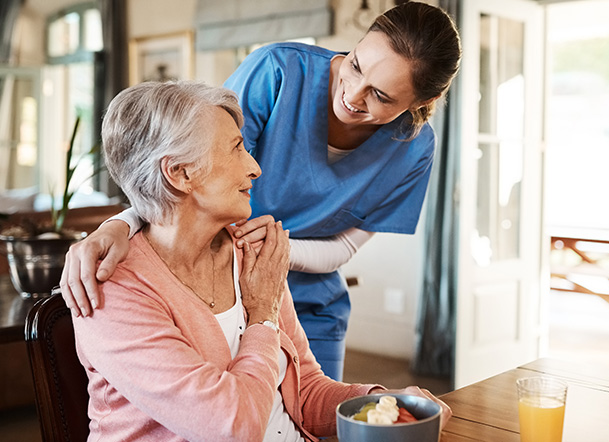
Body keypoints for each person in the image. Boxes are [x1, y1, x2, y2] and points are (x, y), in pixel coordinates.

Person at [60, 2, 462, 381]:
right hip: (215, 287)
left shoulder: (413, 150)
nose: (352, 95)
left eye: (380, 95)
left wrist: (274, 256)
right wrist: (121, 224)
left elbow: (344, 248)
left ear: (422, 102)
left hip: (309, 303)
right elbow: (185, 167)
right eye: (355, 65)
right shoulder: (278, 72)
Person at [72, 80, 452, 441]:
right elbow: (234, 429)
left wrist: (388, 403)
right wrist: (263, 316)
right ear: (180, 173)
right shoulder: (112, 291)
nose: (254, 167)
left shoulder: (250, 255)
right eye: (237, 148)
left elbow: (305, 390)